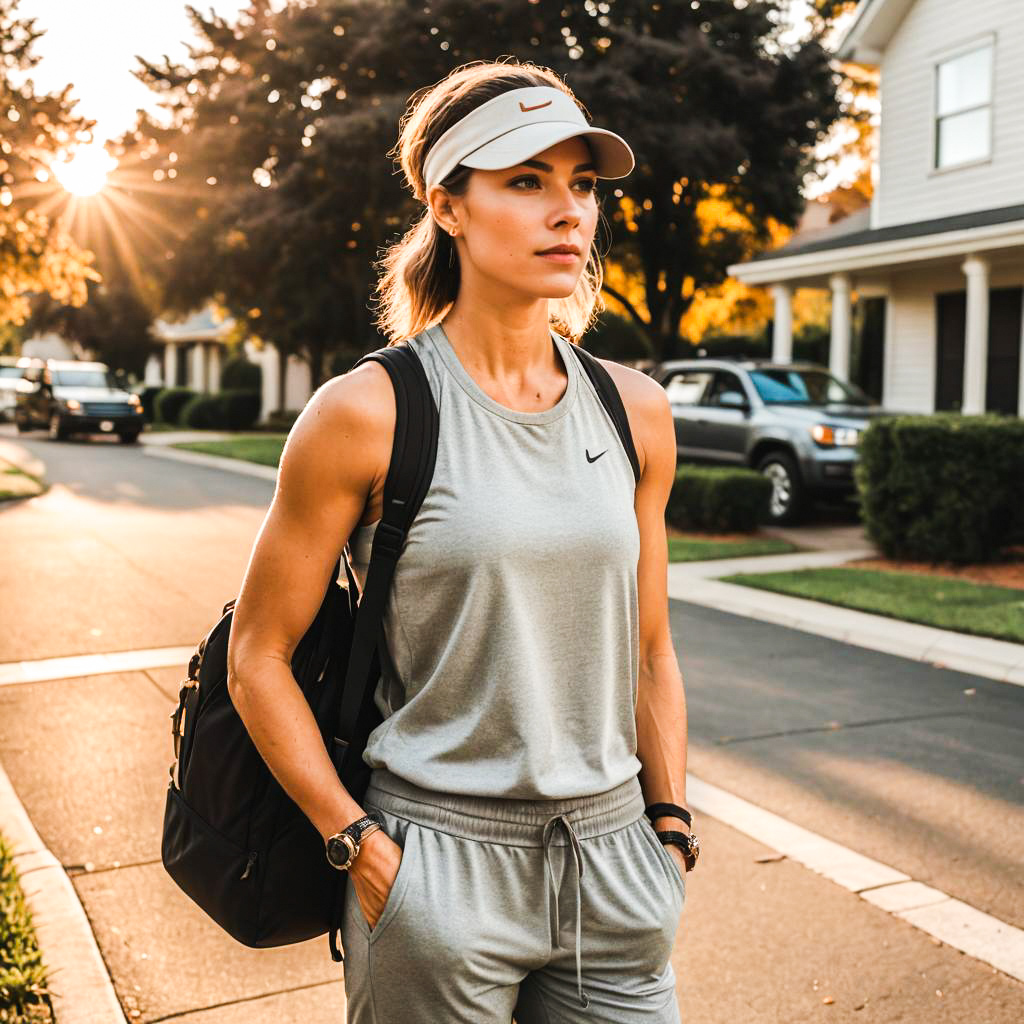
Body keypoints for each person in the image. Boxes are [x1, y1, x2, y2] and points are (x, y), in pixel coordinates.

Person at [226, 58, 699, 1023]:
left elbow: (650, 649)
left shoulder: (636, 410)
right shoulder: (365, 413)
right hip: (437, 866)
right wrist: (356, 844)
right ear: (448, 204)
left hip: (615, 868)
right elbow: (257, 657)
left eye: (582, 184)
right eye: (527, 182)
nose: (568, 211)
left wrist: (670, 828)